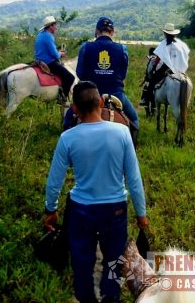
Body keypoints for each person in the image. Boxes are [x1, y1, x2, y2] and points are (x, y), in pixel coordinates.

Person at [44, 81, 148, 303]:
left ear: (74, 109)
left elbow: (55, 181)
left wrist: (50, 209)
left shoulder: (68, 138)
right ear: (101, 102)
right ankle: (111, 296)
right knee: (113, 260)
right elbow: (134, 178)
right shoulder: (122, 133)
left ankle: (85, 296)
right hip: (116, 211)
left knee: (82, 259)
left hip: (80, 210)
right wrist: (141, 214)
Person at [71, 17, 139, 139]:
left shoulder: (86, 47)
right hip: (116, 94)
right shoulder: (121, 48)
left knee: (68, 120)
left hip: (90, 94)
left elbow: (80, 73)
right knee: (134, 119)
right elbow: (123, 74)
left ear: (97, 31)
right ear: (112, 32)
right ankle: (132, 150)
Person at [139, 22, 190, 107]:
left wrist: (153, 69)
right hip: (180, 69)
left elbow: (158, 58)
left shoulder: (164, 43)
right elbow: (185, 55)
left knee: (152, 80)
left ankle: (146, 99)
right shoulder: (181, 44)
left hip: (167, 67)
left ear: (165, 33)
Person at [35, 15, 75, 104]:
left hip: (39, 61)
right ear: (50, 26)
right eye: (55, 25)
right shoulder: (49, 36)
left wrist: (58, 52)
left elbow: (48, 50)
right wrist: (61, 53)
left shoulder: (40, 35)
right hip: (49, 62)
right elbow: (55, 55)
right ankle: (62, 98)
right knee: (70, 77)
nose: (56, 27)